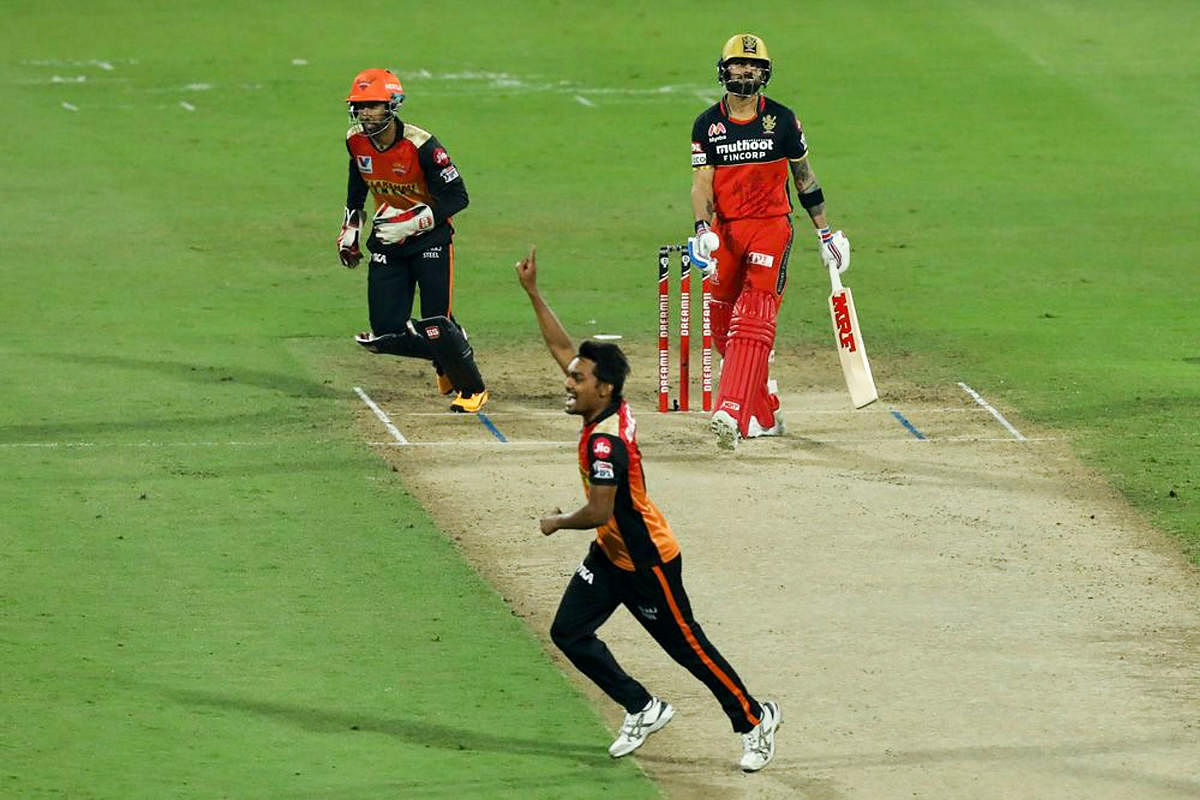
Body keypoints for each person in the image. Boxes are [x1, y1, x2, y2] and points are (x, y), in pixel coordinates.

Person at [514, 245, 782, 772]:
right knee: (568, 632)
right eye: (572, 377)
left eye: (578, 380)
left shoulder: (606, 444)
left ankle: (755, 719)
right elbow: (563, 348)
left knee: (688, 649)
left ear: (603, 389)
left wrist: (556, 522)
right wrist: (533, 293)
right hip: (611, 557)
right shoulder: (607, 404)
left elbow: (598, 509)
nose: (568, 383)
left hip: (647, 562)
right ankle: (643, 706)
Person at [689, 34, 851, 449]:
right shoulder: (708, 124)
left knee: (755, 315)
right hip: (726, 230)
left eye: (754, 65)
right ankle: (764, 410)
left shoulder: (782, 120)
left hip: (771, 226)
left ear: (765, 72)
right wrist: (702, 229)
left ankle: (731, 410)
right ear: (724, 69)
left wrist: (825, 233)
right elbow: (701, 185)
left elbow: (805, 179)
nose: (746, 71)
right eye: (739, 64)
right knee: (723, 320)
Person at [336, 68, 489, 413]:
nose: (364, 114)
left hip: (429, 239)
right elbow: (358, 178)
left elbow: (458, 197)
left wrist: (415, 222)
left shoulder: (422, 146)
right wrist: (351, 225)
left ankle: (472, 388)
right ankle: (450, 353)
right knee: (386, 332)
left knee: (436, 321)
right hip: (388, 241)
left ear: (393, 103)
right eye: (359, 106)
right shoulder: (355, 140)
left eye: (372, 105)